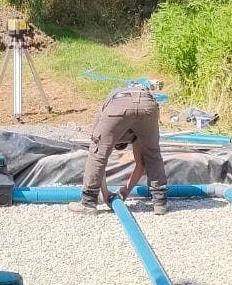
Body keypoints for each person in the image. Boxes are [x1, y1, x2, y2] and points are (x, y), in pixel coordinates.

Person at [70, 83, 169, 214]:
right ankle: (160, 203)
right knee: (152, 154)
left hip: (119, 104)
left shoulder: (109, 118)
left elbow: (100, 158)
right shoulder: (136, 134)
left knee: (98, 153)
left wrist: (105, 194)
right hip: (148, 103)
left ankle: (88, 203)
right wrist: (125, 191)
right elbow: (142, 164)